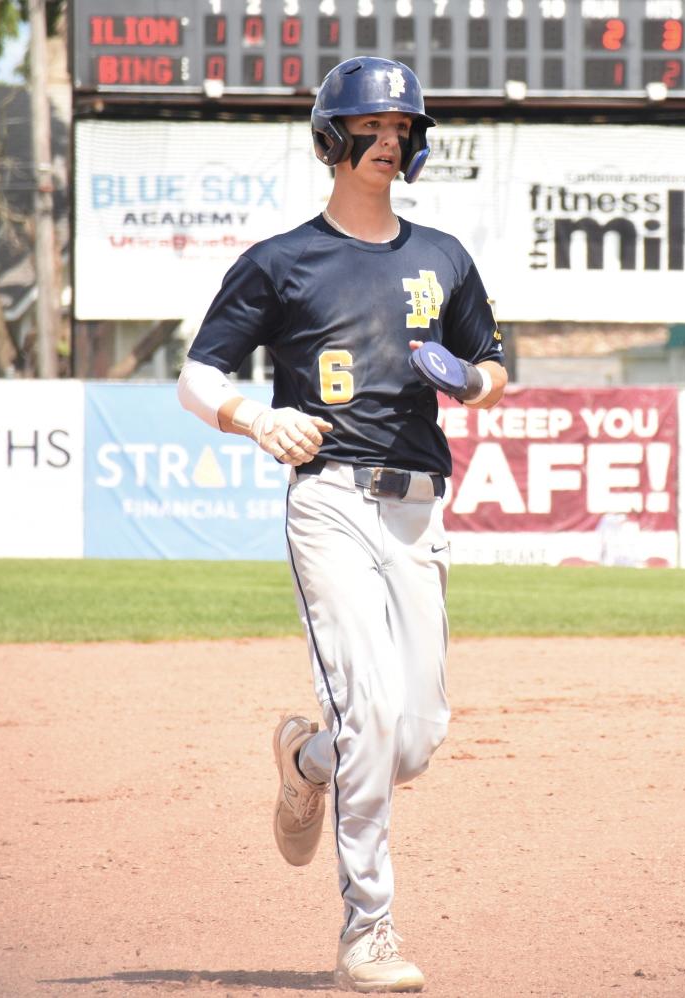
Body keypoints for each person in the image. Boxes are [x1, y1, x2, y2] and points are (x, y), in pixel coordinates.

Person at [177, 56, 507, 994]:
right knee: (369, 707)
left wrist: (469, 379)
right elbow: (198, 376)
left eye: (403, 128)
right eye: (373, 126)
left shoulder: (443, 256)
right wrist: (254, 417)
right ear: (333, 139)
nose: (390, 141)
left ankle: (304, 759)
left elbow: (495, 365)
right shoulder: (282, 262)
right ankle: (368, 931)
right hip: (326, 499)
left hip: (417, 509)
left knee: (414, 739)